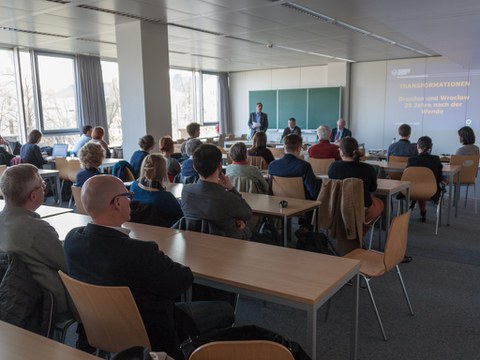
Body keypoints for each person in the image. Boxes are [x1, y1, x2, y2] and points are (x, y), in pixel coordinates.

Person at [64, 175, 233, 359]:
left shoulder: (72, 240)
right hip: (152, 332)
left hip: (100, 328)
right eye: (128, 195)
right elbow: (182, 280)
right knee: (225, 309)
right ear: (118, 203)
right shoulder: (138, 252)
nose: (131, 200)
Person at [0, 164, 71, 322]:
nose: (44, 188)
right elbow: (68, 265)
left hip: (10, 297)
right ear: (33, 196)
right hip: (44, 301)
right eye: (43, 185)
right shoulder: (37, 229)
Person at [181, 144, 253, 240]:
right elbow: (247, 213)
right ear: (219, 166)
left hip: (197, 244)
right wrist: (231, 188)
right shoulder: (227, 197)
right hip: (231, 246)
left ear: (194, 167)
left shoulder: (186, 191)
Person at [328, 137, 384, 226]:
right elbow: (373, 189)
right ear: (357, 151)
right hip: (362, 207)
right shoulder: (368, 168)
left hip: (339, 207)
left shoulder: (333, 167)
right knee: (380, 203)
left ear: (341, 152)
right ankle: (361, 229)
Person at [130, 154, 183, 227]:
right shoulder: (165, 197)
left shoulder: (133, 186)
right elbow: (181, 217)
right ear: (163, 172)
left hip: (137, 230)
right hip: (164, 234)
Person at [269, 134, 321, 201]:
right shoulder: (304, 166)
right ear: (299, 148)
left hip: (278, 204)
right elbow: (314, 193)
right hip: (303, 206)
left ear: (284, 148)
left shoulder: (272, 165)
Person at [407, 136, 444, 222]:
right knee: (424, 186)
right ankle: (423, 212)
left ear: (417, 146)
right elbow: (439, 178)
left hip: (413, 191)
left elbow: (408, 177)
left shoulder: (411, 160)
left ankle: (413, 211)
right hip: (432, 191)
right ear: (431, 147)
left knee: (419, 185)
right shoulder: (436, 159)